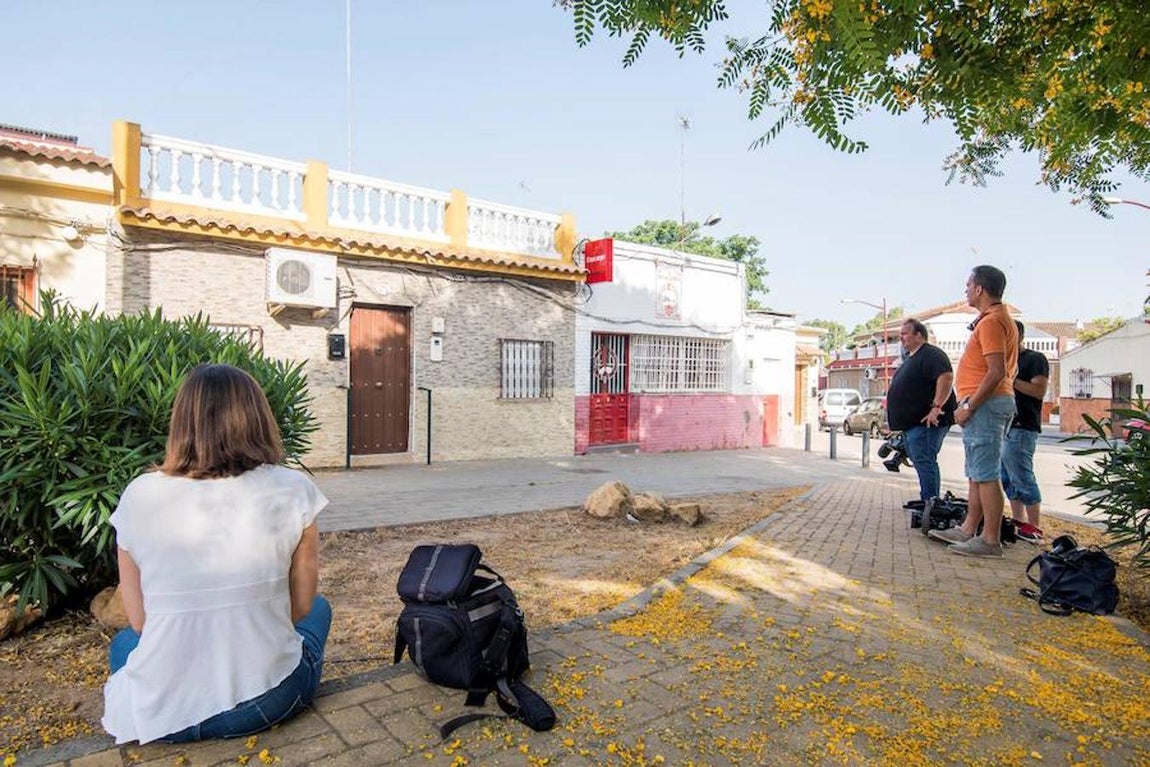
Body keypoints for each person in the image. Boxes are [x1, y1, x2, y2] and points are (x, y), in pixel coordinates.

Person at [102, 364, 331, 744]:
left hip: (159, 712)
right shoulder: (292, 488)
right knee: (321, 608)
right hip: (264, 701)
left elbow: (141, 622)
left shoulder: (139, 494)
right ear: (258, 418)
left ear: (181, 422)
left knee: (124, 644)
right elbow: (302, 607)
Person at [928, 265, 1019, 557]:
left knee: (986, 474)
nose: (965, 290)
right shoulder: (993, 320)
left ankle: (990, 539)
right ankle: (969, 529)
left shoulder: (992, 322)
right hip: (988, 404)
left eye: (968, 285)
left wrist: (968, 405)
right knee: (977, 473)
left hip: (987, 406)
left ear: (979, 289)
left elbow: (996, 372)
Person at [886, 318, 957, 501]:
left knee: (925, 460)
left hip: (927, 422)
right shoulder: (912, 357)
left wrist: (936, 407)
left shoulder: (931, 354)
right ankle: (927, 499)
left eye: (905, 334)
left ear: (919, 335)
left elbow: (946, 377)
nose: (901, 338)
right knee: (921, 460)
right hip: (913, 425)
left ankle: (931, 503)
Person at [1000, 321, 1049, 544]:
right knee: (1006, 476)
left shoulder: (1034, 359)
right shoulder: (1004, 361)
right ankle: (1018, 519)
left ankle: (1035, 526)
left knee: (1022, 474)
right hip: (1002, 426)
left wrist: (1010, 380)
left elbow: (1039, 390)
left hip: (1023, 425)